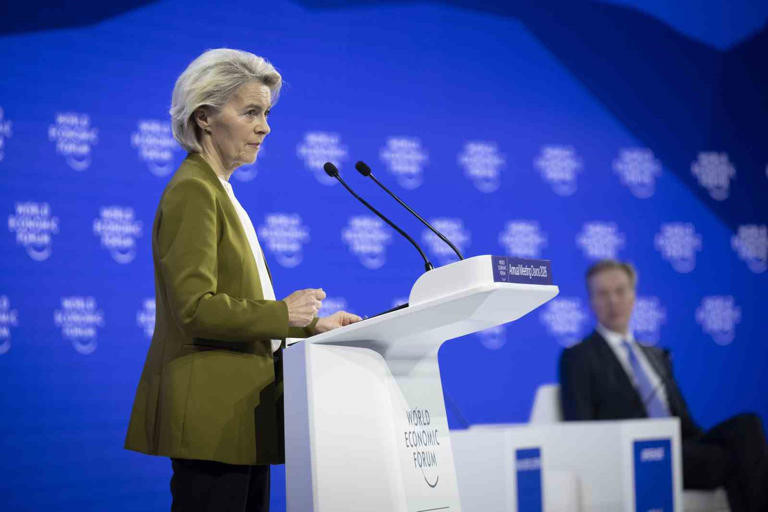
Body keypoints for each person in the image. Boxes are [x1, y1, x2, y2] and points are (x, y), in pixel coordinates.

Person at [124, 48, 361, 512]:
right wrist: (283, 313)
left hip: (241, 420)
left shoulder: (219, 191)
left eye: (266, 114)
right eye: (251, 112)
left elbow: (238, 308)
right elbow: (195, 308)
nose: (264, 127)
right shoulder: (193, 190)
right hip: (212, 420)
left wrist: (310, 326)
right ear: (205, 118)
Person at [559, 259, 767, 512]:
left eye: (620, 291)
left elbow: (684, 421)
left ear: (633, 296)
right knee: (737, 460)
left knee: (748, 426)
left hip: (684, 445)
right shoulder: (579, 357)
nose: (613, 301)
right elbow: (580, 428)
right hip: (639, 453)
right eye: (602, 294)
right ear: (591, 302)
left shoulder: (656, 355)